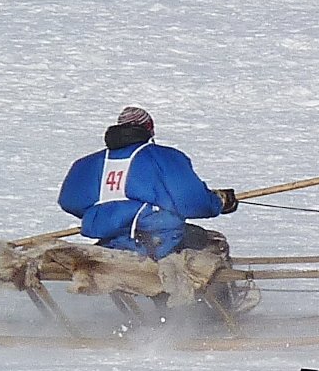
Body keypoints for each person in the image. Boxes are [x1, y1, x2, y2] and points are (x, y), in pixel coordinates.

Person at [55, 106, 237, 259]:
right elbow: (191, 202)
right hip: (161, 241)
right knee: (215, 244)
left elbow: (70, 201)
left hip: (111, 242)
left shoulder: (87, 163)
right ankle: (215, 301)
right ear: (149, 128)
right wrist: (219, 202)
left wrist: (109, 216)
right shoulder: (164, 157)